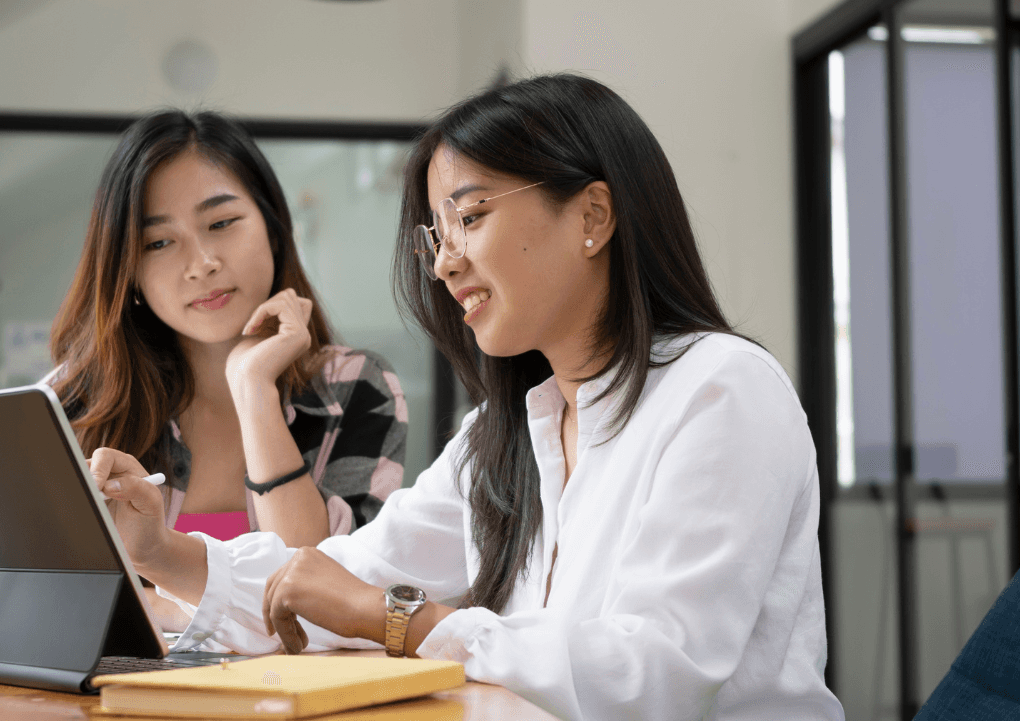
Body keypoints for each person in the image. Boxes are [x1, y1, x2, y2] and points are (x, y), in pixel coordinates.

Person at [93, 75, 845, 719]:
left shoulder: (721, 390)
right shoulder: (508, 426)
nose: (445, 264)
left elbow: (649, 677)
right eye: (436, 233)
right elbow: (339, 577)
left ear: (592, 216)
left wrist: (401, 621)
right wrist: (162, 549)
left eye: (471, 217)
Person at [0, 110, 408, 639]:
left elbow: (335, 603)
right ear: (130, 272)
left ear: (275, 230)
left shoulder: (357, 389)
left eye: (221, 223)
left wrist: (253, 389)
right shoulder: (78, 399)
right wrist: (157, 614)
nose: (201, 263)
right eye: (158, 243)